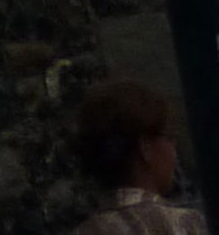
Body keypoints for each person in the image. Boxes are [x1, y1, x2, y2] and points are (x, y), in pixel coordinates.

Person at [75, 79, 206, 235]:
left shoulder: (83, 231)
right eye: (169, 137)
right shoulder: (186, 224)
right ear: (146, 148)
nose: (174, 150)